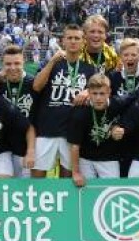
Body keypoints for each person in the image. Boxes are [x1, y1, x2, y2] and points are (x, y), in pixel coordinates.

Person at [31, 24, 97, 178]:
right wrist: (52, 61)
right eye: (70, 38)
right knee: (37, 177)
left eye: (77, 38)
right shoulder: (52, 63)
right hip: (47, 129)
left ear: (83, 42)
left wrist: (88, 90)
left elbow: (99, 91)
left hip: (72, 131)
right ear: (63, 41)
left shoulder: (89, 69)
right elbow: (36, 86)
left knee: (67, 178)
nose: (73, 41)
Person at [67, 75, 134, 187]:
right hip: (86, 159)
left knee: (111, 191)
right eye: (94, 93)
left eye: (102, 93)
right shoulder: (79, 113)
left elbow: (137, 95)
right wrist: (76, 173)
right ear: (88, 92)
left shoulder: (118, 103)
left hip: (110, 158)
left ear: (109, 92)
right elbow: (74, 146)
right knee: (86, 191)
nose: (98, 98)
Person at [0, 44, 38, 177]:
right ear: (2, 64)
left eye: (17, 63)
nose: (13, 67)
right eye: (8, 64)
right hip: (1, 149)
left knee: (23, 190)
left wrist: (31, 150)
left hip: (25, 147)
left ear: (24, 62)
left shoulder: (34, 83)